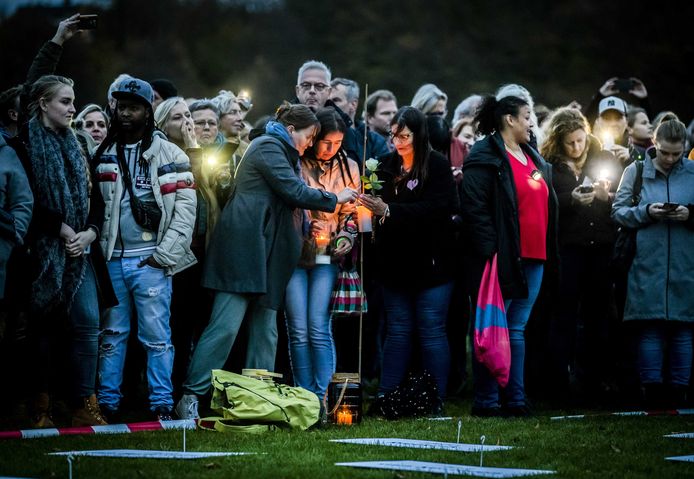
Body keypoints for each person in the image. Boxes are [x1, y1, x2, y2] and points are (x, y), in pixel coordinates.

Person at [176, 104, 358, 419]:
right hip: (244, 251)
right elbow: (291, 190)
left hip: (269, 255)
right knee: (225, 326)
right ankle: (191, 395)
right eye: (309, 135)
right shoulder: (267, 146)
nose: (310, 142)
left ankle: (257, 398)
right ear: (291, 129)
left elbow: (286, 203)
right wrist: (335, 198)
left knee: (266, 330)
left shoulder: (286, 153)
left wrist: (305, 226)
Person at [93, 77, 197, 421]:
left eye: (133, 107)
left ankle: (161, 404)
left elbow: (185, 211)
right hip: (112, 259)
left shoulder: (170, 153)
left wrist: (163, 256)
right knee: (111, 335)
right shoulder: (103, 152)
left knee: (156, 337)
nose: (126, 114)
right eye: (121, 107)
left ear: (147, 112)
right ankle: (106, 403)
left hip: (149, 258)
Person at [17, 75, 116, 427]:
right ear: (43, 103)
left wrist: (89, 232)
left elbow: (96, 202)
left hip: (80, 251)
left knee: (88, 321)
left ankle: (83, 402)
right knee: (42, 327)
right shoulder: (24, 142)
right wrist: (59, 228)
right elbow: (24, 200)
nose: (73, 108)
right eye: (64, 101)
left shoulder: (79, 143)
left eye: (73, 101)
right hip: (42, 250)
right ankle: (40, 403)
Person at [460, 95, 558, 417]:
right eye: (528, 116)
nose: (532, 123)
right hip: (502, 257)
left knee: (516, 328)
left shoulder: (531, 155)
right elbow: (474, 207)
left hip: (534, 255)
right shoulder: (484, 154)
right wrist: (491, 251)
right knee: (493, 328)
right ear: (509, 120)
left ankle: (515, 399)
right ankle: (487, 401)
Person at [359, 106, 457, 406]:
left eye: (404, 136)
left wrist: (390, 210)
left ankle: (436, 396)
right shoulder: (383, 166)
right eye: (393, 135)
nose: (397, 141)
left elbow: (441, 208)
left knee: (431, 329)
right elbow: (370, 211)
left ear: (419, 134)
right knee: (398, 330)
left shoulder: (437, 165)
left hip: (432, 264)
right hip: (394, 264)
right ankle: (387, 393)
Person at [541, 107, 622, 404]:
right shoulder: (549, 166)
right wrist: (569, 200)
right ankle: (559, 384)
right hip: (567, 250)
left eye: (581, 141)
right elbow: (543, 204)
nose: (577, 148)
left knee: (598, 317)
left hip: (600, 248)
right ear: (558, 141)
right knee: (563, 317)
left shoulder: (603, 159)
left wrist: (606, 197)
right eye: (570, 143)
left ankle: (596, 382)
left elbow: (624, 200)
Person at [612, 119, 694, 409]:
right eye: (665, 153)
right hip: (646, 263)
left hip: (686, 264)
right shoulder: (634, 172)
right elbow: (619, 212)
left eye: (677, 153)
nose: (671, 159)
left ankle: (679, 393)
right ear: (654, 145)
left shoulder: (693, 173)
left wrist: (690, 214)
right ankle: (653, 393)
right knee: (651, 328)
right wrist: (646, 212)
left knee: (684, 329)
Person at [284, 107, 360, 398]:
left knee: (318, 325)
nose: (331, 149)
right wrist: (306, 221)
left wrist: (346, 234)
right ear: (313, 138)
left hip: (328, 255)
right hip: (295, 253)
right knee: (298, 329)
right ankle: (304, 394)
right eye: (327, 142)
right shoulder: (296, 162)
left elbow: (352, 210)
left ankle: (324, 395)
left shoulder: (349, 167)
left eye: (338, 143)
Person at [294, 61, 387, 165]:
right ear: (298, 90)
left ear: (328, 92)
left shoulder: (344, 128)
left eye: (319, 86)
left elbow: (356, 169)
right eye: (306, 85)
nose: (312, 90)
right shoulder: (282, 122)